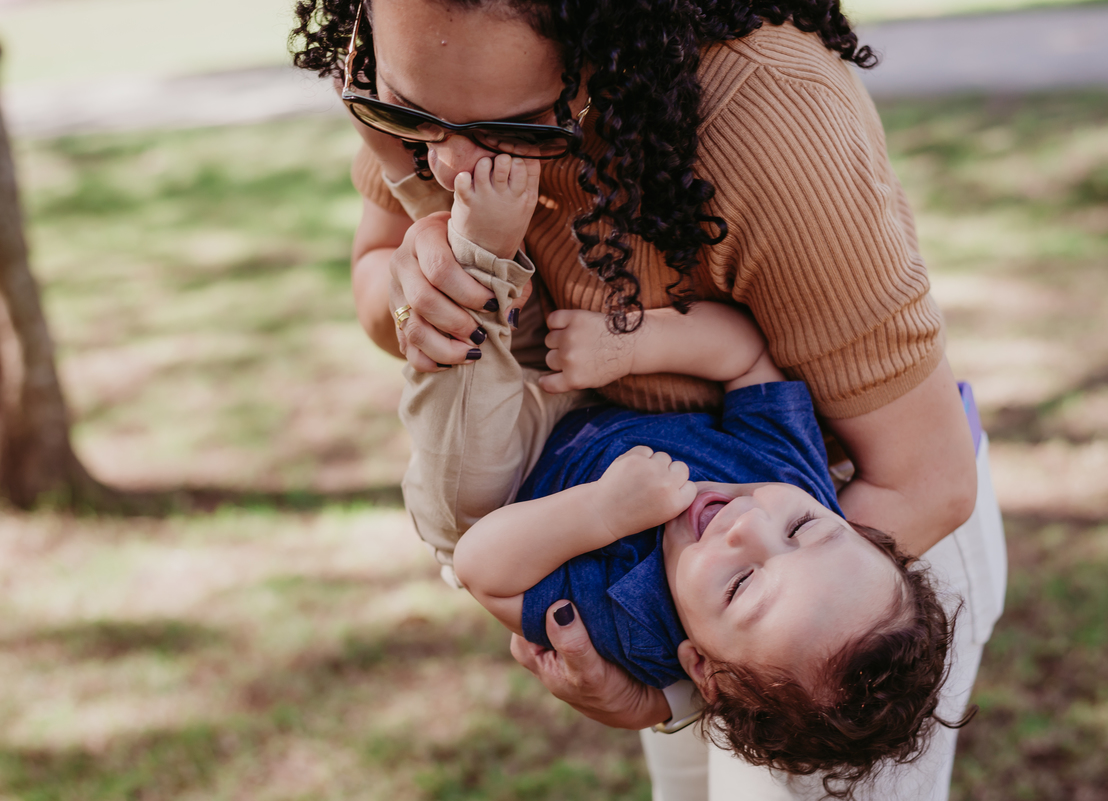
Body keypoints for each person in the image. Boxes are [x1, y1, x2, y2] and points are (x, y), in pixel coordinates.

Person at [289, 0, 1008, 798]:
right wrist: (419, 285)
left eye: (516, 129)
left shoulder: (766, 122)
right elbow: (375, 272)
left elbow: (928, 483)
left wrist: (676, 685)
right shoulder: (427, 70)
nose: (453, 168)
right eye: (411, 114)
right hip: (696, 601)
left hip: (852, 588)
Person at [419, 152, 956, 795]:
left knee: (468, 406)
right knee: (539, 327)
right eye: (806, 528)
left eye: (741, 585)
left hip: (508, 489)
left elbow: (484, 569)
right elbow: (744, 356)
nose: (748, 524)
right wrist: (631, 344)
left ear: (699, 665)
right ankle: (465, 188)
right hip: (589, 403)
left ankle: (466, 235)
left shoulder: (636, 635)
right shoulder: (786, 475)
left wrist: (602, 513)